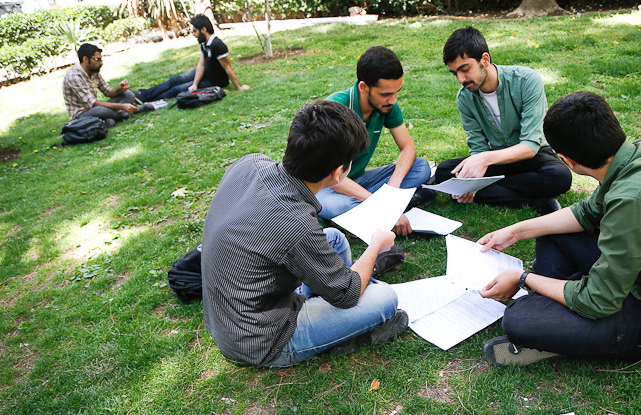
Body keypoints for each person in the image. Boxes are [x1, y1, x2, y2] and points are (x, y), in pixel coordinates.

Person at [477, 91, 641, 366]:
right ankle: (564, 310)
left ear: (567, 161)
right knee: (550, 231)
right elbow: (588, 212)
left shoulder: (632, 201)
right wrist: (516, 231)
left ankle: (562, 330)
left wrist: (524, 279)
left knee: (519, 319)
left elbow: (598, 301)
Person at [201, 100, 409, 367]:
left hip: (232, 311)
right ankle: (344, 326)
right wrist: (377, 243)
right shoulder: (296, 223)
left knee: (334, 238)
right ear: (338, 172)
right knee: (385, 299)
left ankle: (344, 284)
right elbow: (347, 295)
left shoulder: (250, 163)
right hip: (261, 338)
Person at [435, 27, 572, 215]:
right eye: (454, 73)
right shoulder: (464, 97)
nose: (461, 79)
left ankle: (487, 191)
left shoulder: (526, 80)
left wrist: (482, 164)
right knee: (445, 173)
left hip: (532, 156)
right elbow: (478, 147)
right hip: (496, 159)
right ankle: (534, 202)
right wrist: (472, 178)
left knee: (559, 176)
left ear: (485, 59)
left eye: (465, 69)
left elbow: (530, 146)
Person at [318, 46, 434, 237]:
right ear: (364, 87)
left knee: (421, 167)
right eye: (386, 94)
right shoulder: (335, 109)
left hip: (359, 181)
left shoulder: (387, 106)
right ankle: (377, 210)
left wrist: (393, 188)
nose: (393, 100)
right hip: (325, 187)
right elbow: (331, 176)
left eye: (396, 92)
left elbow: (408, 148)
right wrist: (382, 205)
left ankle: (367, 211)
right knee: (342, 205)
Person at [136, 15, 249, 102]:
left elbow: (228, 68)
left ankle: (150, 101)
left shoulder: (218, 45)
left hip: (214, 81)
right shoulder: (204, 43)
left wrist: (239, 87)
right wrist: (195, 84)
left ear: (203, 29)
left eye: (195, 31)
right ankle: (143, 95)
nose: (193, 34)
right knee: (174, 80)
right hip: (205, 74)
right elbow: (201, 65)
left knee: (176, 89)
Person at [62, 43, 151, 127]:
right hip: (81, 115)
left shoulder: (94, 71)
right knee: (100, 110)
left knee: (128, 94)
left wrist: (120, 90)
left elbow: (108, 92)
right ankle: (128, 113)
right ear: (85, 59)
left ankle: (110, 119)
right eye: (97, 59)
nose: (101, 63)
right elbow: (93, 104)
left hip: (97, 109)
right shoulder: (74, 76)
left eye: (101, 59)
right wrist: (122, 106)